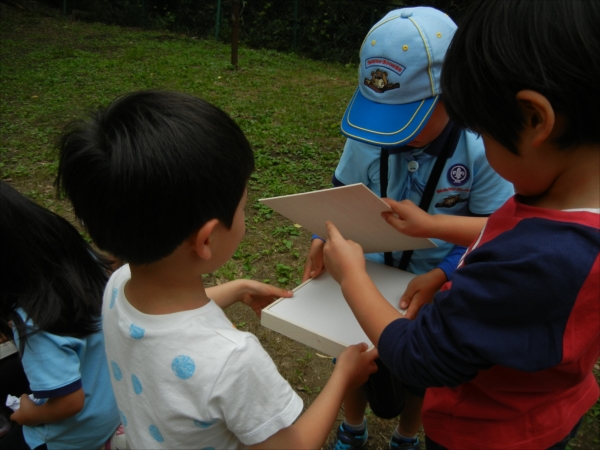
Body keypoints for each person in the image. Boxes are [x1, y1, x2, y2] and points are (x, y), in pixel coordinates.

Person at [322, 0, 600, 448]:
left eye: (484, 131)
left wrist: (353, 276)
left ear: (534, 120)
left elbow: (420, 358)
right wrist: (433, 223)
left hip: (491, 434)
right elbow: (509, 229)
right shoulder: (555, 209)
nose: (481, 145)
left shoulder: (544, 260)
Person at [55, 90, 379, 449]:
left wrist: (236, 289)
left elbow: (163, 327)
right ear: (206, 239)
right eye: (242, 206)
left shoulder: (118, 283)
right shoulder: (233, 361)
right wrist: (343, 378)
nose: (244, 216)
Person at [302, 7, 514, 449]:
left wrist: (442, 275)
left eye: (407, 121)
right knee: (356, 355)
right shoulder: (367, 132)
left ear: (455, 91)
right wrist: (322, 236)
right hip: (367, 274)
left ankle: (406, 436)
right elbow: (340, 192)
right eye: (383, 118)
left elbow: (496, 229)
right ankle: (353, 428)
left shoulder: (482, 148)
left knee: (421, 373)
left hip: (433, 284)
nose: (391, 136)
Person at [0, 181, 122, 450]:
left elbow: (69, 403)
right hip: (112, 398)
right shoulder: (81, 260)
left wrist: (30, 414)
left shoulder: (34, 323)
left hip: (76, 434)